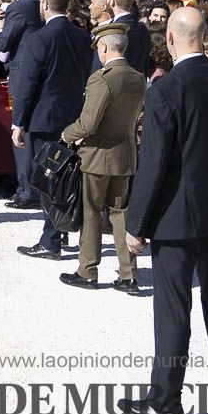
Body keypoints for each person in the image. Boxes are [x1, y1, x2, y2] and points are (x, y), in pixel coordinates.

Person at [118, 7, 208, 414]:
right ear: (205, 35)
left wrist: (136, 224)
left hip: (175, 215)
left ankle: (165, 400)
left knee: (174, 307)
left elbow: (154, 163)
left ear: (171, 40)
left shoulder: (166, 89)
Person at [58, 22, 146, 292]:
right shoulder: (137, 77)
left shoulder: (102, 78)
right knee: (120, 214)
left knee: (92, 213)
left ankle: (87, 271)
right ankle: (129, 275)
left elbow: (88, 124)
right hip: (125, 155)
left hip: (97, 155)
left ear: (104, 46)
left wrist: (66, 134)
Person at [10, 0, 93, 260]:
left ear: (45, 5)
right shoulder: (83, 36)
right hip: (75, 117)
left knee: (48, 179)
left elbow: (27, 83)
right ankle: (61, 229)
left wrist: (18, 122)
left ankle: (51, 240)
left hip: (44, 119)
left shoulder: (39, 38)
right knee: (66, 176)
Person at [0, 0, 42, 209]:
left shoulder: (18, 7)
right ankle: (33, 188)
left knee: (20, 129)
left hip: (22, 74)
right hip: (39, 73)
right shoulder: (40, 2)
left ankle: (26, 191)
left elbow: (4, 42)